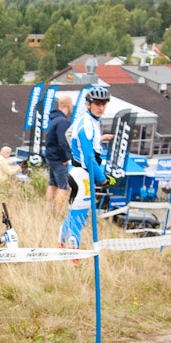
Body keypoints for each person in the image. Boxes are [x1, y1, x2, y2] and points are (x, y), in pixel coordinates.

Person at [59, 86, 115, 251]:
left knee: (74, 213)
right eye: (97, 103)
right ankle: (74, 255)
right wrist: (102, 178)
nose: (101, 107)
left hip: (79, 173)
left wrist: (100, 139)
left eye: (104, 104)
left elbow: (72, 137)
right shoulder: (87, 125)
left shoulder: (89, 121)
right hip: (82, 174)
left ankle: (61, 244)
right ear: (88, 104)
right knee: (79, 217)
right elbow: (89, 158)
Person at [44, 93, 74, 210]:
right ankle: (57, 211)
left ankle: (48, 207)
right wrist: (65, 158)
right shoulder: (63, 122)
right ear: (68, 105)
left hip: (50, 156)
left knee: (53, 184)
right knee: (64, 187)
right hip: (58, 158)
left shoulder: (54, 119)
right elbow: (63, 141)